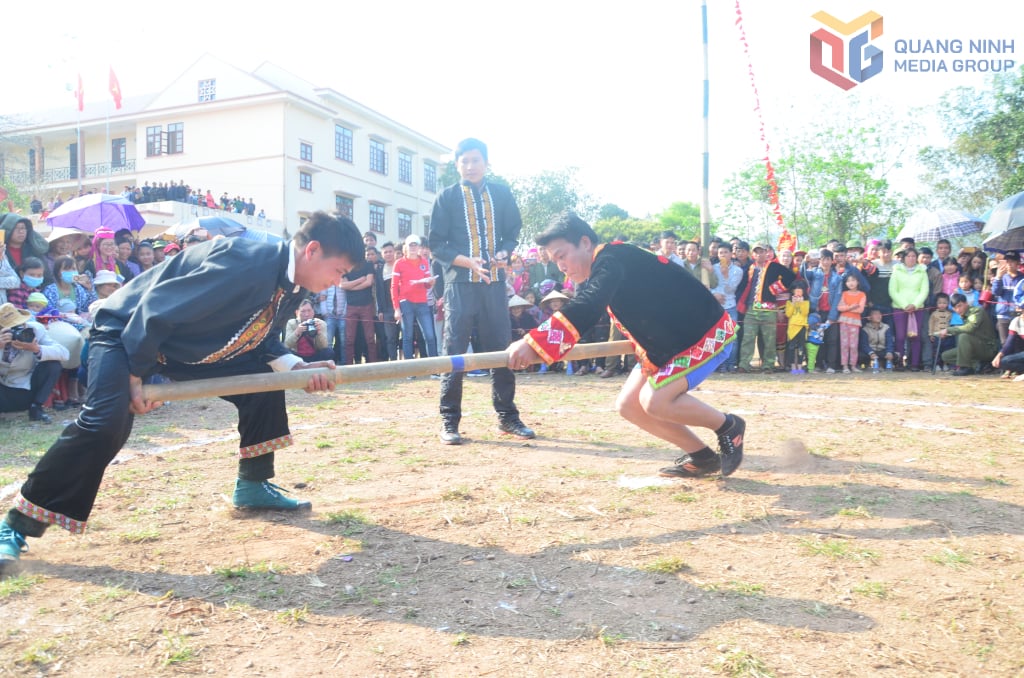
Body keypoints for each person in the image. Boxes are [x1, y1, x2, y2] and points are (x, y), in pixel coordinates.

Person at [0, 211, 364, 574]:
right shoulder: (245, 261)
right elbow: (154, 309)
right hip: (125, 333)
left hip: (178, 347)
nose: (336, 282)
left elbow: (258, 336)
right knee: (106, 422)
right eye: (339, 272)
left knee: (263, 384)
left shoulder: (290, 282)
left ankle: (253, 484)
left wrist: (295, 368)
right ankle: (16, 524)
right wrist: (138, 375)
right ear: (313, 250)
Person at [506, 212, 745, 478]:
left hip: (702, 333)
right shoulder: (609, 263)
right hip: (666, 345)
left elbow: (588, 304)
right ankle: (702, 457)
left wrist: (534, 342)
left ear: (585, 243)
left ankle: (728, 427)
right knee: (629, 405)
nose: (560, 266)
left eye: (562, 255)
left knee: (654, 401)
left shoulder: (611, 260)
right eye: (554, 260)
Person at [427, 137, 533, 445]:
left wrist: (504, 252)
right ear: (457, 164)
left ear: (486, 162)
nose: (470, 166)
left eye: (476, 160)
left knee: (501, 349)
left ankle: (508, 417)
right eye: (464, 161)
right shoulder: (446, 197)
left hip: (494, 283)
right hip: (459, 284)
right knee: (454, 352)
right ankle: (449, 421)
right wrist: (466, 262)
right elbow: (436, 244)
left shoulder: (501, 193)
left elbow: (513, 232)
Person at [0, 302, 68, 424]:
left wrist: (36, 349)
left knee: (53, 365)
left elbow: (64, 353)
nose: (16, 330)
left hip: (26, 387)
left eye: (19, 325)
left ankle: (36, 408)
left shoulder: (35, 330)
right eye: (11, 327)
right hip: (3, 390)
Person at [737, 242, 795, 372]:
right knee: (748, 338)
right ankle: (743, 365)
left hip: (768, 309)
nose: (759, 254)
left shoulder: (774, 266)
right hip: (751, 308)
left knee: (769, 339)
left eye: (762, 251)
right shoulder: (750, 268)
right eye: (756, 252)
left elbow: (790, 277)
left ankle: (768, 365)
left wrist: (775, 288)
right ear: (753, 254)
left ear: (766, 253)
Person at [392, 234, 438, 362]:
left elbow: (427, 285)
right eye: (410, 245)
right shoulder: (399, 263)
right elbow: (394, 287)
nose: (413, 247)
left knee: (429, 335)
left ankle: (435, 367)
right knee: (407, 336)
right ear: (405, 247)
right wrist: (396, 309)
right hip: (405, 302)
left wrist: (430, 282)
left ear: (418, 247)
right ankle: (409, 370)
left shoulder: (424, 262)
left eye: (415, 244)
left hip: (422, 302)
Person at [889, 247, 930, 371]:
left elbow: (924, 290)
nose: (911, 258)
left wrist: (915, 305)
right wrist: (904, 305)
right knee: (900, 336)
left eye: (913, 256)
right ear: (904, 258)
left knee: (915, 337)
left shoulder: (922, 271)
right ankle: (899, 363)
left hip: (917, 309)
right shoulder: (897, 270)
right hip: (899, 308)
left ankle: (914, 364)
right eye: (908, 256)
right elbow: (892, 290)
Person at [939, 293, 999, 376]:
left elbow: (970, 328)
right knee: (946, 356)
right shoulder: (964, 315)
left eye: (960, 306)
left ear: (966, 303)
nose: (958, 310)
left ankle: (965, 368)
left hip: (988, 348)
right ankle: (976, 366)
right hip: (975, 348)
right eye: (955, 308)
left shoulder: (977, 311)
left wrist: (948, 330)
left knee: (963, 336)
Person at [339, 246, 378, 365]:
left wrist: (352, 286)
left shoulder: (368, 264)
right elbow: (342, 285)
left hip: (367, 305)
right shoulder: (345, 267)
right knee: (349, 339)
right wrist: (360, 280)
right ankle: (348, 366)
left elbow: (369, 282)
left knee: (370, 338)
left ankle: (373, 365)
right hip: (351, 306)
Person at [991, 252, 1024, 346]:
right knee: (1005, 344)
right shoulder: (1002, 278)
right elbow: (995, 292)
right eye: (1007, 261)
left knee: (1019, 344)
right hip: (1003, 316)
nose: (1009, 264)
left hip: (1018, 315)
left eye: (1012, 261)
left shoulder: (1022, 279)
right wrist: (998, 277)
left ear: (1018, 263)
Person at [836, 274, 866, 373]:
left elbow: (860, 309)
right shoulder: (844, 294)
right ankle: (844, 366)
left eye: (853, 280)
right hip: (844, 321)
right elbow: (839, 307)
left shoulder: (862, 294)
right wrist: (851, 307)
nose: (851, 283)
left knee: (853, 345)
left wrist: (847, 307)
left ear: (858, 282)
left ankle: (853, 365)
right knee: (844, 344)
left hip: (855, 322)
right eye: (848, 281)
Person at [784, 280, 809, 374]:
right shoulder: (789, 302)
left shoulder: (806, 301)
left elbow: (805, 312)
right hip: (792, 327)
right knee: (791, 347)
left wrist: (801, 303)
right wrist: (793, 304)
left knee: (801, 347)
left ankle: (799, 366)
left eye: (800, 290)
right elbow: (788, 314)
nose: (798, 292)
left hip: (802, 326)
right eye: (796, 290)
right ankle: (792, 366)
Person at [859, 307, 895, 372]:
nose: (878, 316)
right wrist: (871, 353)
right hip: (870, 351)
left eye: (880, 314)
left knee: (895, 355)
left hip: (882, 350)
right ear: (869, 317)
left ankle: (884, 365)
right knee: (860, 355)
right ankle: (866, 365)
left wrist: (889, 352)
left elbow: (889, 342)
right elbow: (864, 344)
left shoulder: (886, 327)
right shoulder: (865, 329)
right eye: (875, 314)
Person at [928, 292, 956, 372]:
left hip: (948, 335)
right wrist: (931, 334)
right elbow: (931, 324)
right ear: (936, 303)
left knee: (947, 350)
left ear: (948, 303)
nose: (942, 305)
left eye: (944, 303)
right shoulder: (934, 314)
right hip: (937, 335)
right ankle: (937, 365)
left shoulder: (950, 314)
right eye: (940, 303)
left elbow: (951, 324)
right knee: (937, 351)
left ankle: (946, 364)